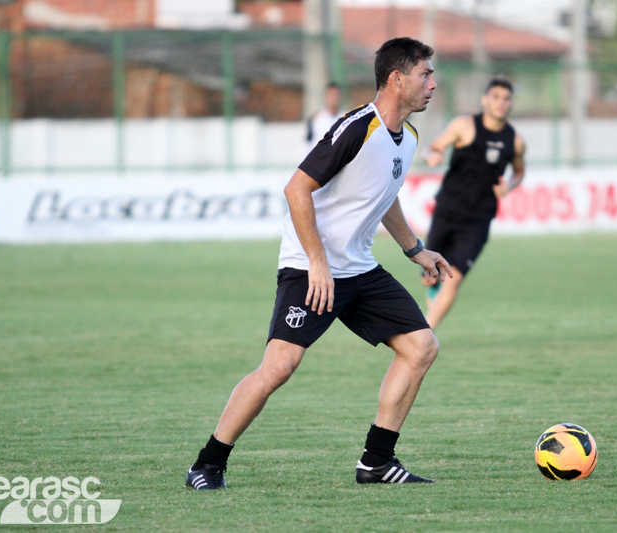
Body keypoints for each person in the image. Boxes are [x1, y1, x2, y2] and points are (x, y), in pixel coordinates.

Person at [186, 37, 451, 490]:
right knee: (279, 367)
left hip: (358, 267)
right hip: (310, 268)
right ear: (396, 78)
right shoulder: (356, 128)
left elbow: (384, 196)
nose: (433, 84)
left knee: (421, 347)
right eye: (425, 74)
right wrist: (317, 262)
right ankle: (207, 465)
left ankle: (376, 462)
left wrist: (414, 249)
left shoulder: (407, 137)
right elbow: (296, 189)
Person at [422, 77, 526, 330]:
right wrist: (433, 156)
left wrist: (509, 185)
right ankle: (429, 313)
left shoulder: (514, 140)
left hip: (478, 219)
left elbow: (519, 172)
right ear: (485, 100)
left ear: (511, 104)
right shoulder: (464, 126)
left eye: (506, 99)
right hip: (447, 211)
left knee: (453, 278)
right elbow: (431, 148)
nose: (501, 103)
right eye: (496, 97)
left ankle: (424, 335)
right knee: (430, 277)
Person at [305, 82, 344, 152]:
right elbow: (308, 143)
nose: (333, 98)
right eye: (331, 95)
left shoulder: (346, 118)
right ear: (325, 97)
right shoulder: (316, 119)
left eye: (336, 95)